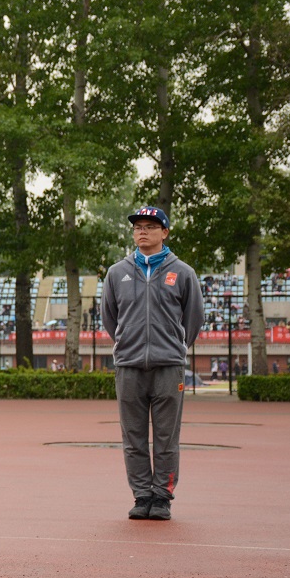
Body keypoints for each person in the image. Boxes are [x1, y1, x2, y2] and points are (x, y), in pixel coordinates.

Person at [101, 206, 204, 521]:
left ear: (165, 232)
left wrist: (174, 346)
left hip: (168, 366)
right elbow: (109, 317)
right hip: (129, 365)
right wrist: (126, 342)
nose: (142, 231)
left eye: (149, 226)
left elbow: (194, 318)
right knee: (132, 435)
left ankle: (162, 497)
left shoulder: (183, 273)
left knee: (165, 436)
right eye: (137, 227)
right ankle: (141, 495)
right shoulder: (117, 272)